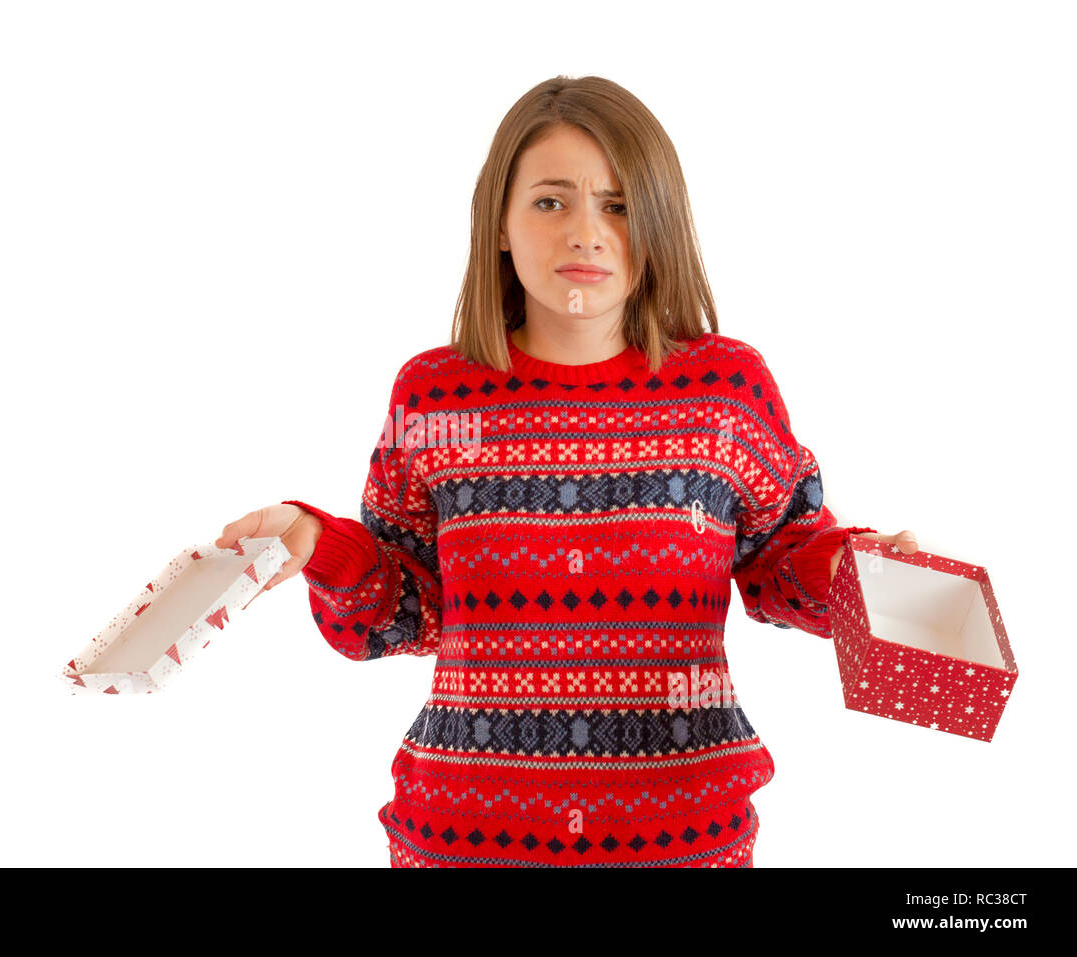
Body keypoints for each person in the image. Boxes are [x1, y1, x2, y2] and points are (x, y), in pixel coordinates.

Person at [215, 75, 917, 868]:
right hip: (462, 841)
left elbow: (782, 563)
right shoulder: (434, 395)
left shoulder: (728, 392)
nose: (586, 232)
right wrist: (320, 544)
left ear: (657, 225)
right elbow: (399, 609)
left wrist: (861, 570)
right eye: (551, 202)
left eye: (617, 205)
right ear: (502, 227)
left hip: (683, 841)